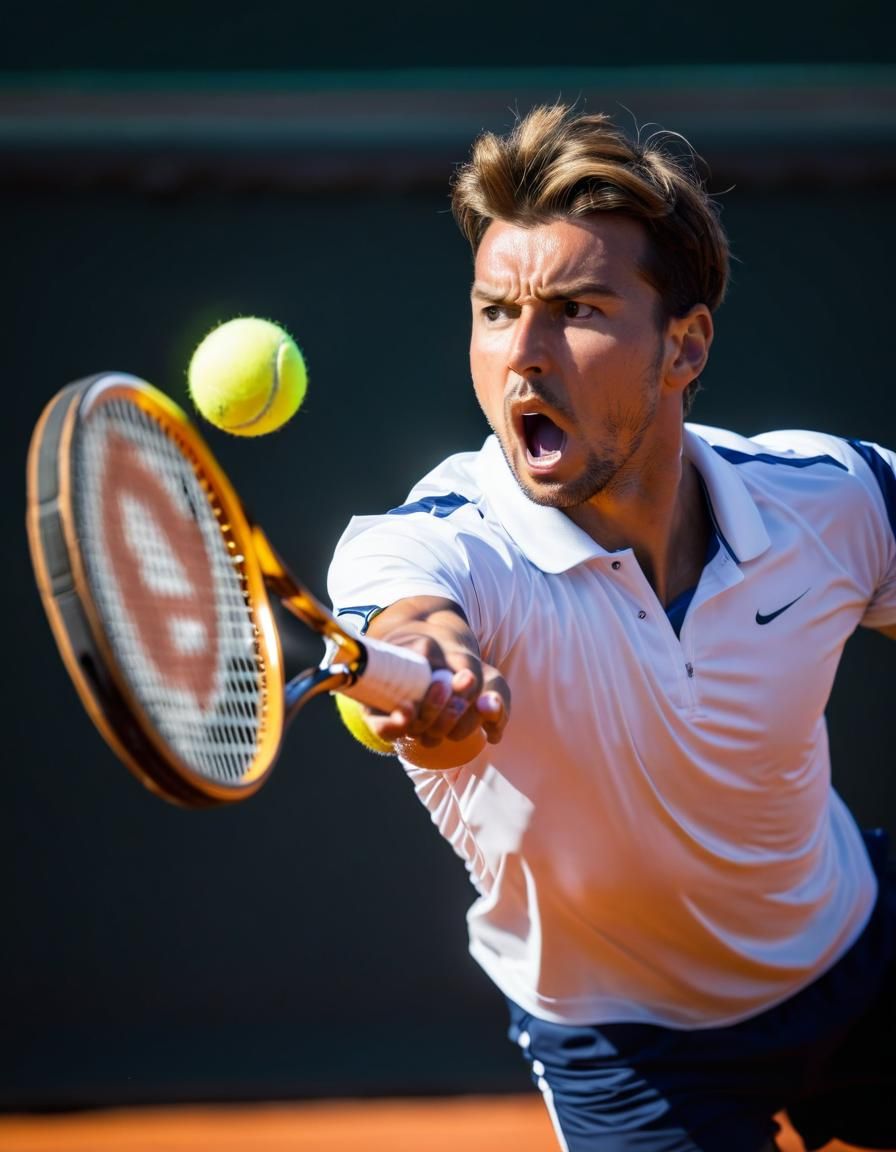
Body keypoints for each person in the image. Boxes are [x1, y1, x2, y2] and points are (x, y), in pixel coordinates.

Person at [326, 104, 896, 1152]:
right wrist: (435, 678)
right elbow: (412, 625)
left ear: (683, 347)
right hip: (632, 1058)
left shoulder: (830, 499)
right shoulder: (427, 550)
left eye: (577, 309)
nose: (524, 356)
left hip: (859, 952)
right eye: (495, 312)